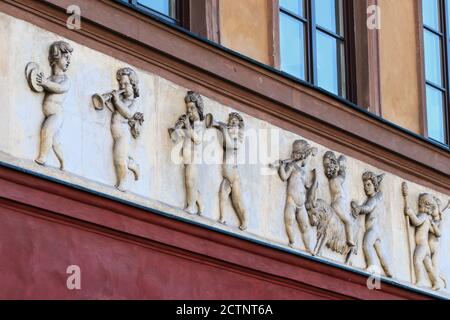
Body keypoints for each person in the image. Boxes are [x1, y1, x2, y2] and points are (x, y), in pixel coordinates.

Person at [35, 41, 73, 170]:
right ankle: (63, 162)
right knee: (55, 143)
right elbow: (41, 86)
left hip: (56, 114)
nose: (69, 61)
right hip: (49, 114)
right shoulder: (50, 78)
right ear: (57, 57)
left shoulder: (65, 80)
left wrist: (45, 83)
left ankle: (42, 157)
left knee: (46, 132)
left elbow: (60, 88)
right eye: (66, 58)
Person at [351, 172, 393, 277]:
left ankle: (372, 268)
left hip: (373, 229)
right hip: (376, 230)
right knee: (381, 252)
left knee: (367, 245)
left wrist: (359, 208)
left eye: (369, 184)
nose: (366, 188)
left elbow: (368, 208)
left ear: (375, 185)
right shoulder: (373, 199)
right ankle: (389, 272)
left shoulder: (373, 199)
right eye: (365, 185)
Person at [277, 140, 316, 251]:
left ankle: (309, 248)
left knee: (305, 226)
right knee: (289, 221)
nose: (307, 160)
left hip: (301, 204)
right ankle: (292, 241)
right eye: (306, 156)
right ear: (301, 155)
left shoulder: (303, 171)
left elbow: (305, 185)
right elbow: (284, 177)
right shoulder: (292, 166)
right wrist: (281, 166)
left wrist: (313, 182)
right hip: (292, 201)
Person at [169, 91, 204, 215]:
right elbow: (178, 137)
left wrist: (187, 126)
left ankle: (191, 206)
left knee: (190, 181)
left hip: (193, 159)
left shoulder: (199, 124)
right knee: (191, 182)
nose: (189, 111)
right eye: (188, 108)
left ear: (198, 108)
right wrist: (177, 129)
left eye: (192, 108)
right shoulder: (189, 124)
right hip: (186, 158)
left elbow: (198, 139)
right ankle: (200, 204)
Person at [110, 67, 143, 192]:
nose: (122, 86)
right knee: (121, 157)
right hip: (115, 134)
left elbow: (128, 114)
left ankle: (122, 183)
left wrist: (116, 101)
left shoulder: (134, 102)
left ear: (133, 85)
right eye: (121, 84)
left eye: (126, 84)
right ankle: (133, 165)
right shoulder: (121, 99)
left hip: (123, 135)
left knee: (119, 160)